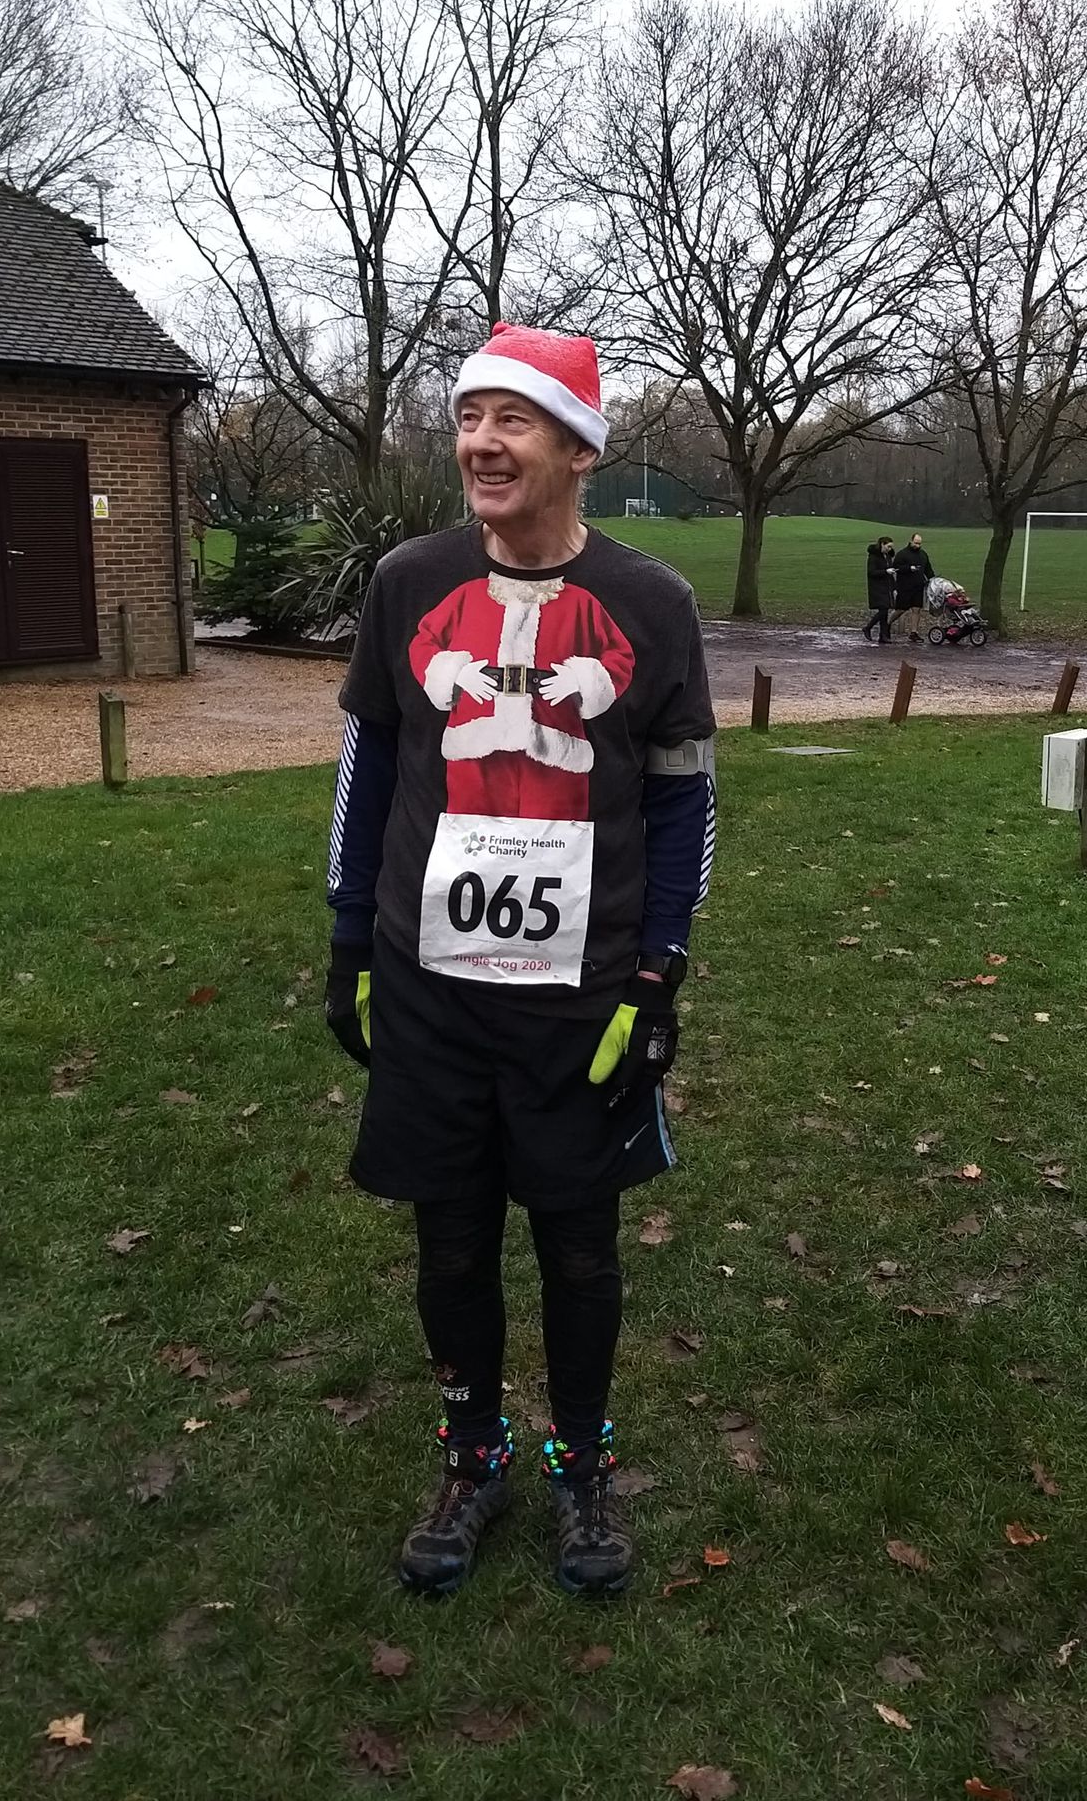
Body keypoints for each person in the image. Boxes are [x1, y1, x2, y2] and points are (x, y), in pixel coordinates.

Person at [323, 322, 716, 1601]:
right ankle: (473, 1454)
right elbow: (368, 766)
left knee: (579, 1248)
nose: (482, 445)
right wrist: (349, 936)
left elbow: (682, 797)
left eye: (515, 420)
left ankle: (582, 1467)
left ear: (578, 447)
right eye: (469, 417)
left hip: (578, 996)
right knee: (450, 1246)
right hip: (430, 982)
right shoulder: (409, 581)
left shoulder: (651, 602)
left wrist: (659, 969)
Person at [891, 533, 934, 642]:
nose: (917, 546)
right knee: (900, 609)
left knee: (916, 609)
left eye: (919, 544)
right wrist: (909, 568)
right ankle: (887, 624)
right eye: (915, 543)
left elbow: (928, 569)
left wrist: (933, 579)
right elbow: (896, 568)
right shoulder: (902, 554)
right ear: (911, 541)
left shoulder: (923, 554)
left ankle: (914, 632)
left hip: (918, 586)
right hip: (904, 586)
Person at [863, 536, 896, 642]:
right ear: (882, 544)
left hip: (886, 587)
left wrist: (894, 587)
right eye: (888, 546)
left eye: (891, 547)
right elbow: (871, 572)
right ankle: (868, 627)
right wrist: (885, 571)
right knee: (883, 609)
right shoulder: (873, 557)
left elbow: (890, 574)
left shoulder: (888, 556)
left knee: (884, 611)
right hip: (877, 587)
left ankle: (882, 636)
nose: (890, 549)